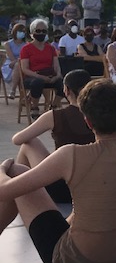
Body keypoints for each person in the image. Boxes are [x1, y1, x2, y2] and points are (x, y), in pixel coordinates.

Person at [0, 79, 116, 263]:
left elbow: (3, 192)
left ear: (87, 121)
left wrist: (2, 170)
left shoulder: (71, 154)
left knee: (16, 171)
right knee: (81, 211)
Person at [11, 70, 95, 203]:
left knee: (29, 143)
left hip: (61, 188)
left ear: (66, 90)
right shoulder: (101, 114)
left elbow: (17, 139)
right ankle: (21, 187)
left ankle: (20, 190)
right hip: (92, 185)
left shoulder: (55, 116)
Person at [20, 19, 64, 119]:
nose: (41, 33)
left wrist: (57, 75)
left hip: (49, 75)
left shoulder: (50, 48)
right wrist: (40, 76)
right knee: (37, 82)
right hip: (32, 76)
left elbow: (56, 65)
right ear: (32, 32)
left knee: (64, 83)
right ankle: (34, 106)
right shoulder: (26, 49)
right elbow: (25, 69)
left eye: (43, 31)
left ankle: (53, 106)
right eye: (38, 31)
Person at [2, 23, 27, 99]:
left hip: (21, 64)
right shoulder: (8, 44)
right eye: (20, 31)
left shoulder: (26, 45)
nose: (22, 33)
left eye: (23, 31)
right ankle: (13, 90)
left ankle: (16, 92)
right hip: (10, 65)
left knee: (18, 65)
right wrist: (19, 60)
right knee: (17, 64)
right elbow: (11, 58)